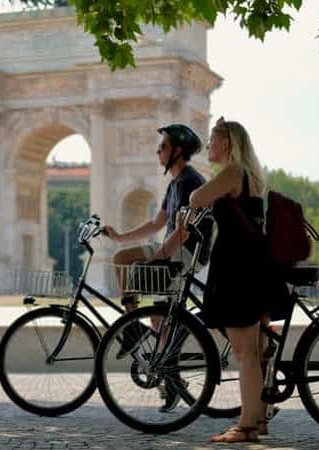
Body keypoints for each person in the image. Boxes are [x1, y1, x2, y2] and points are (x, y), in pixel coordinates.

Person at [103, 123, 211, 411]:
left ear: (177, 151)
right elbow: (157, 223)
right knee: (157, 318)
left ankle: (133, 331)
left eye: (162, 146)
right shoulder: (175, 182)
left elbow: (184, 232)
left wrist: (157, 257)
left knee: (129, 268)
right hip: (172, 249)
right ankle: (168, 376)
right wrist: (120, 237)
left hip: (185, 253)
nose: (157, 151)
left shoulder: (191, 181)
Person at [189, 117, 272, 443]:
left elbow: (197, 198)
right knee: (255, 350)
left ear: (226, 144)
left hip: (237, 270)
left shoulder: (232, 173)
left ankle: (246, 427)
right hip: (252, 267)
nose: (208, 146)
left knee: (245, 353)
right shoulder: (249, 175)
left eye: (211, 140)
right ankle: (259, 419)